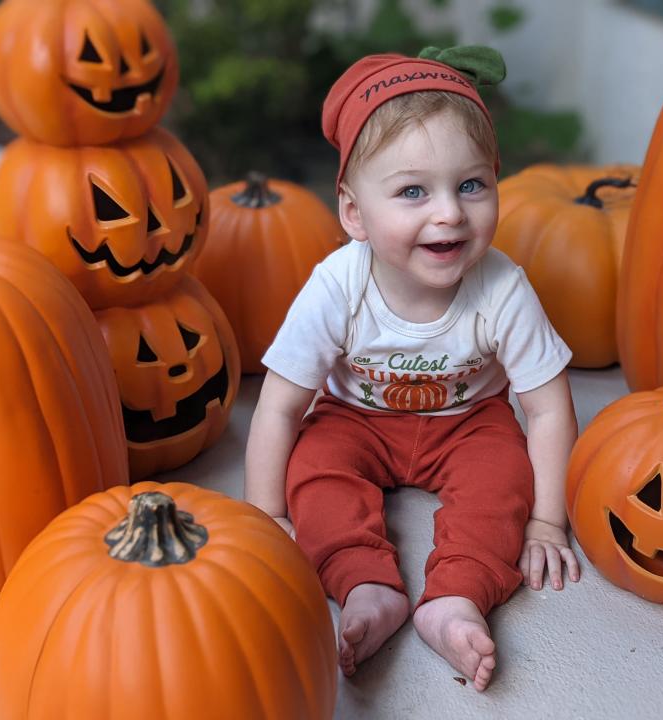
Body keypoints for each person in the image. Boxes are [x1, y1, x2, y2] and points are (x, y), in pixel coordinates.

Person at [245, 46, 579, 692]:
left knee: (503, 479)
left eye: (472, 185)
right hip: (356, 418)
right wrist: (268, 514)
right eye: (413, 192)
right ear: (353, 214)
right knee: (313, 471)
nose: (450, 212)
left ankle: (457, 598)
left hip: (468, 421)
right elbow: (282, 404)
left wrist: (546, 519)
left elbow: (546, 408)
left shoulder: (502, 288)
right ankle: (365, 584)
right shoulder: (337, 286)